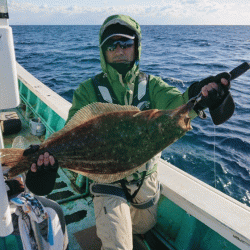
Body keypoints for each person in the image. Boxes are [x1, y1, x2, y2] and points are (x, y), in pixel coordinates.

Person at [26, 14, 230, 250]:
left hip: (145, 180)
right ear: (103, 52)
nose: (119, 50)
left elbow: (179, 104)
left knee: (143, 227)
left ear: (136, 47)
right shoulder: (88, 90)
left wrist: (201, 97)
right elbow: (73, 129)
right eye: (111, 45)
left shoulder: (152, 85)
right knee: (118, 245)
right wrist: (50, 157)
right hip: (107, 180)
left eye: (126, 43)